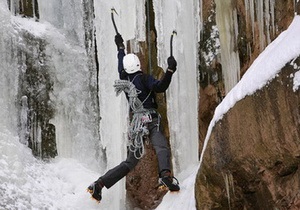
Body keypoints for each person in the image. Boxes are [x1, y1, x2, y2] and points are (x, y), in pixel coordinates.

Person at [87, 33, 179, 202]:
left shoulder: (125, 79)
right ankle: (165, 175)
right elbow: (160, 87)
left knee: (130, 162)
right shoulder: (144, 78)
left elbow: (120, 65)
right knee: (161, 146)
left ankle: (99, 184)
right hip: (150, 119)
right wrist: (170, 71)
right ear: (138, 65)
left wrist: (120, 48)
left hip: (136, 124)